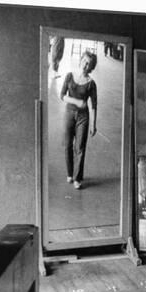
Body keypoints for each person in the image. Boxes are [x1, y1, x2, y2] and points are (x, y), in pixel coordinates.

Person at [60, 51, 98, 189]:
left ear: (91, 67)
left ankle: (77, 178)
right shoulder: (70, 76)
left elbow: (94, 105)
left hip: (83, 117)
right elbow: (62, 95)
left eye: (88, 64)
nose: (85, 65)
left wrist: (93, 124)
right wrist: (76, 101)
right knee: (67, 145)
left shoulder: (91, 84)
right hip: (69, 113)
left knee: (80, 148)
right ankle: (70, 173)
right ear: (80, 60)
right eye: (84, 61)